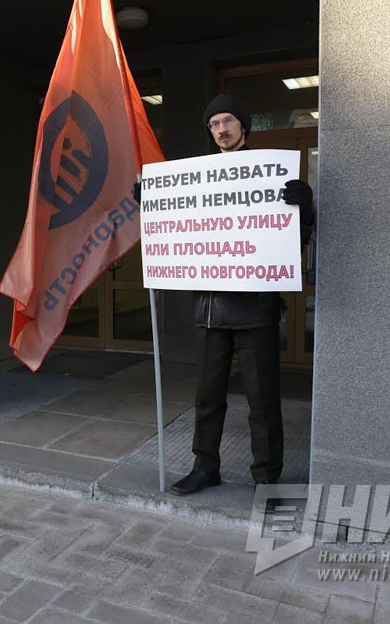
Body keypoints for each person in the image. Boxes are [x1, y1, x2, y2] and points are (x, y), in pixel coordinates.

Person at [161, 94, 314, 496]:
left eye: (228, 120)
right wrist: (155, 207)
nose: (222, 128)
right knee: (207, 399)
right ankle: (204, 467)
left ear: (243, 126)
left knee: (263, 403)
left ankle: (267, 478)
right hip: (209, 311)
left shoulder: (268, 176)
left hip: (254, 312)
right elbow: (179, 231)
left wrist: (304, 209)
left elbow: (290, 241)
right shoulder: (197, 180)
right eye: (214, 123)